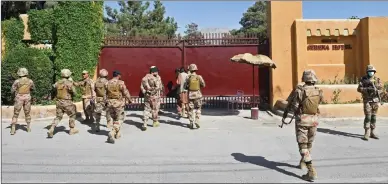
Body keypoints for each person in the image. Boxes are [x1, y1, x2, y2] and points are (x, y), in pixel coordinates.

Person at [284, 69, 323, 181]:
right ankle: (303, 163)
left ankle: (311, 170)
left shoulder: (299, 91)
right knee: (309, 143)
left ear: (304, 79)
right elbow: (320, 102)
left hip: (302, 121)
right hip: (314, 120)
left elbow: (294, 106)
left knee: (303, 146)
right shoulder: (318, 90)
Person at [48, 69, 79, 138]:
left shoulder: (57, 83)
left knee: (58, 116)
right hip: (67, 102)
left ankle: (52, 128)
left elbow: (53, 91)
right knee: (72, 115)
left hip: (59, 102)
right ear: (68, 75)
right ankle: (72, 129)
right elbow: (75, 93)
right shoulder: (69, 83)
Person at [357, 65, 383, 141]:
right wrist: (367, 89)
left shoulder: (377, 79)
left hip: (375, 100)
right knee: (368, 116)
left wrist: (378, 91)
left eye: (372, 71)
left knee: (374, 117)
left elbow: (381, 89)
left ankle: (372, 132)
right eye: (369, 71)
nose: (371, 73)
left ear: (374, 72)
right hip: (367, 100)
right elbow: (359, 89)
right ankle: (366, 132)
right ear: (367, 72)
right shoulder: (363, 79)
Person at [105, 70, 132, 144]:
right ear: (118, 75)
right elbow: (125, 92)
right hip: (118, 103)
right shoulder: (121, 82)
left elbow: (105, 93)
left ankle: (118, 133)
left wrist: (106, 102)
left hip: (110, 103)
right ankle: (112, 132)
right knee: (120, 118)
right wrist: (129, 99)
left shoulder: (107, 82)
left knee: (115, 119)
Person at [10, 68, 35, 135]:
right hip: (27, 98)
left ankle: (13, 128)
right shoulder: (30, 81)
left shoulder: (17, 81)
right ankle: (28, 128)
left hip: (18, 98)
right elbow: (33, 88)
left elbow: (12, 90)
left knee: (16, 114)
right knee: (27, 113)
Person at [140, 66, 164, 131]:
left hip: (147, 96)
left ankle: (145, 123)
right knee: (155, 109)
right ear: (153, 71)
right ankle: (155, 122)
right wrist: (153, 92)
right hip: (155, 97)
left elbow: (141, 87)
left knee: (146, 109)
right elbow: (158, 87)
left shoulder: (144, 78)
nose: (157, 72)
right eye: (156, 71)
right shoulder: (156, 78)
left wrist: (145, 92)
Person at [184, 64, 205, 129]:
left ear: (190, 69)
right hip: (198, 95)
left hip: (190, 95)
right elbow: (203, 85)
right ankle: (197, 120)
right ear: (196, 69)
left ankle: (191, 123)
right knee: (198, 108)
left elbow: (185, 86)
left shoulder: (188, 77)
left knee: (190, 109)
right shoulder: (199, 77)